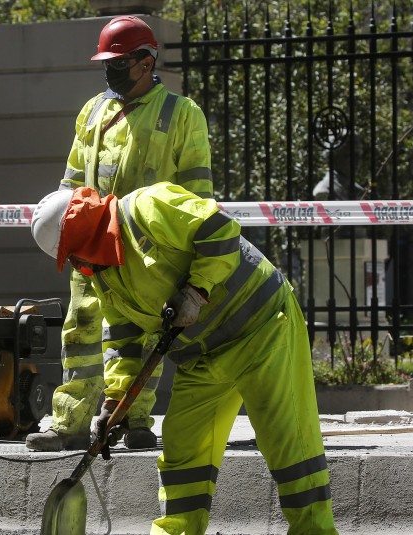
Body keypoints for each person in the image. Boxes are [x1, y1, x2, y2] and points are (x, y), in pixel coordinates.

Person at [30, 185, 339, 535]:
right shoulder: (104, 273)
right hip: (203, 358)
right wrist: (116, 402)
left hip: (263, 329)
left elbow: (220, 230)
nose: (76, 265)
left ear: (88, 235)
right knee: (183, 455)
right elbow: (122, 337)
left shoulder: (149, 206)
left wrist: (196, 290)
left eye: (74, 255)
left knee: (290, 446)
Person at [26, 15, 213, 452]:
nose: (110, 71)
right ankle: (68, 422)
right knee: (81, 332)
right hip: (91, 244)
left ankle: (134, 420)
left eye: (119, 62)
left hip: (147, 250)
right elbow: (72, 180)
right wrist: (64, 227)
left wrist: (185, 255)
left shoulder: (182, 115)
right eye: (106, 62)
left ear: (147, 61)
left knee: (143, 336)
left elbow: (197, 194)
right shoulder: (93, 111)